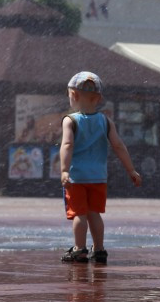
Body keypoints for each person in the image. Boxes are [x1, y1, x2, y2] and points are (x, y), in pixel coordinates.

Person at [60, 71, 142, 264]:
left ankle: (79, 249)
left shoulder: (70, 120)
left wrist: (64, 170)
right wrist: (131, 170)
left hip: (77, 178)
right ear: (98, 98)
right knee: (94, 214)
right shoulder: (105, 121)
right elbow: (119, 146)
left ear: (74, 95)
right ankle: (99, 249)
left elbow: (67, 145)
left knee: (79, 214)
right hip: (98, 177)